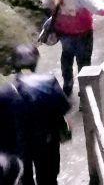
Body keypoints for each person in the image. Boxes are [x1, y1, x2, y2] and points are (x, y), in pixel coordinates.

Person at [0, 44, 69, 185]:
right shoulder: (49, 82)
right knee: (48, 179)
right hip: (47, 141)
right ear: (35, 62)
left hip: (19, 146)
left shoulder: (5, 92)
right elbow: (63, 107)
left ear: (14, 65)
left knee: (25, 178)